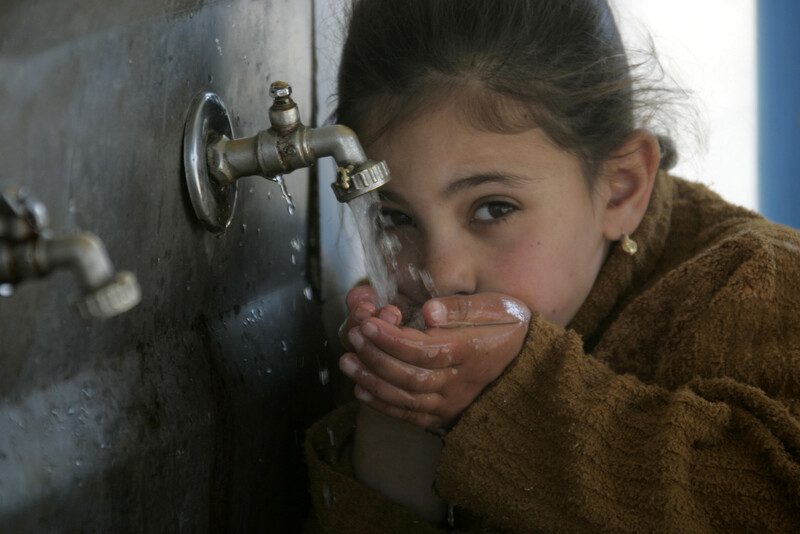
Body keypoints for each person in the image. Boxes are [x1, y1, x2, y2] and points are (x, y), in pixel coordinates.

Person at [304, 0, 800, 532]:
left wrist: (516, 391)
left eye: (494, 208)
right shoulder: (391, 317)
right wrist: (398, 409)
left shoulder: (759, 283)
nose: (441, 276)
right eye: (396, 216)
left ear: (621, 188)